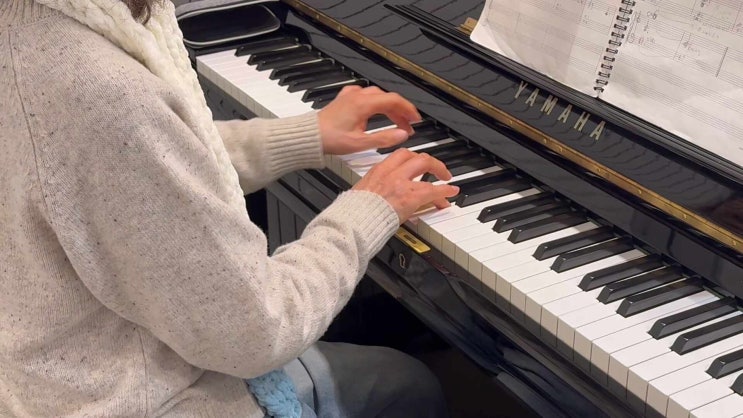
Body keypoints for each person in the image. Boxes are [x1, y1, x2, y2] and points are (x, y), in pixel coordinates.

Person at [0, 0, 460, 417]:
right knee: (408, 387)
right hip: (142, 396)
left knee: (399, 377)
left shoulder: (30, 29)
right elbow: (258, 332)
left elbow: (146, 165)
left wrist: (306, 135)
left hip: (52, 370)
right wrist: (370, 209)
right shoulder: (101, 90)